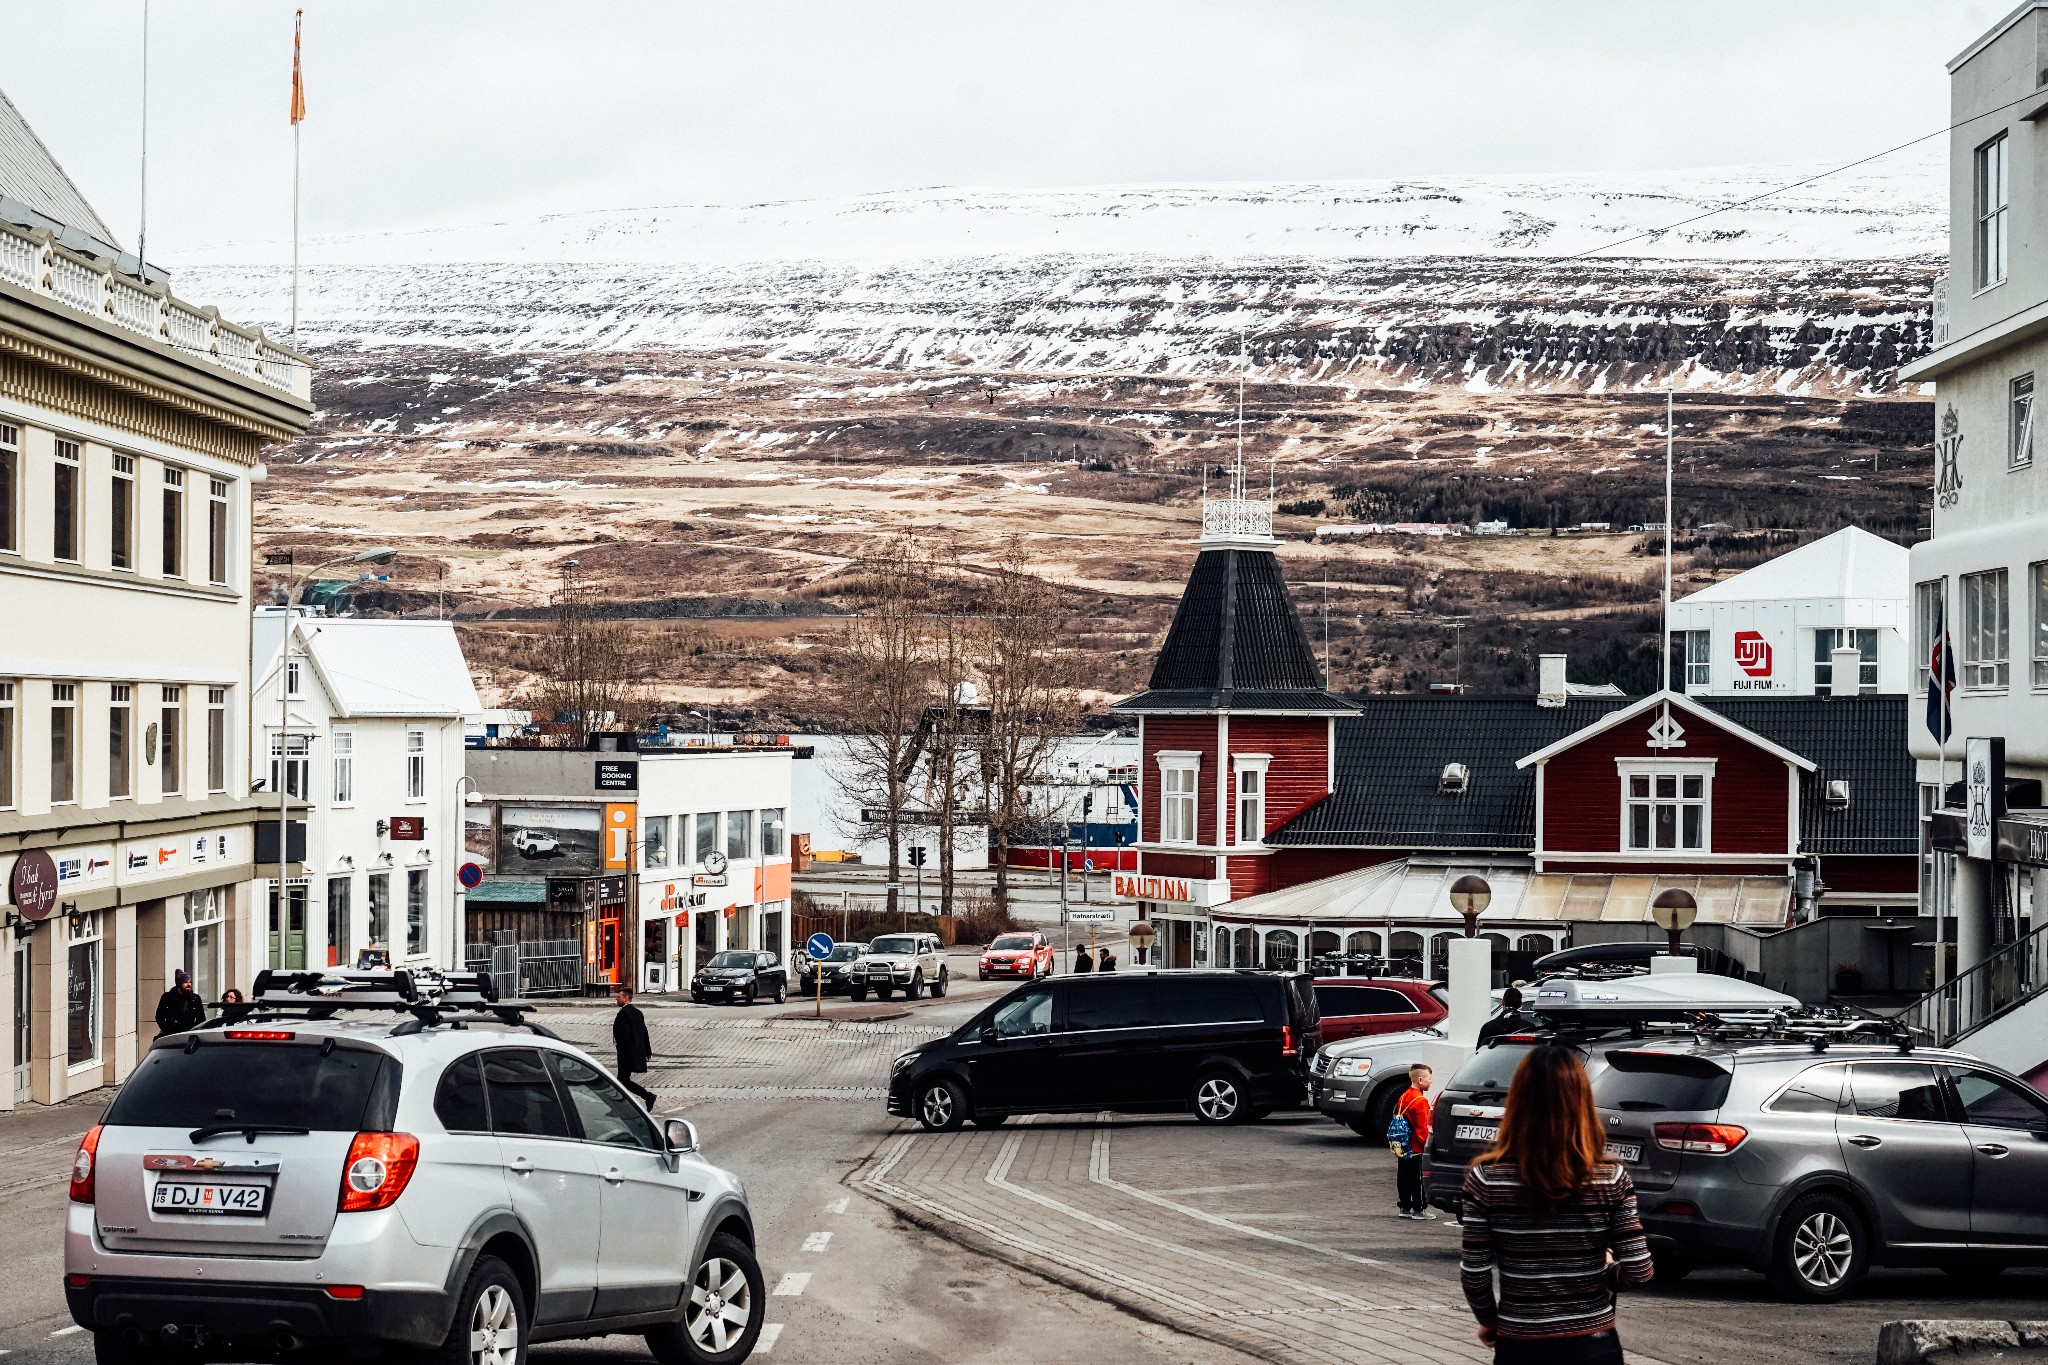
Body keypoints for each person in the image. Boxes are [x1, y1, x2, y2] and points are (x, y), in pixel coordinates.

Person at [1461, 1045, 1653, 1364]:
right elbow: (1640, 1270)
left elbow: (1475, 1274)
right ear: (1581, 1101)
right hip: (1593, 1343)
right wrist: (1603, 1269)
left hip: (1520, 1343)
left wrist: (1490, 1322)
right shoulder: (1611, 1177)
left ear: (1517, 1100)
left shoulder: (1485, 1178)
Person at [1392, 1062, 1434, 1219]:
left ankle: (1404, 1206)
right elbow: (1422, 1128)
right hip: (1415, 1147)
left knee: (1403, 1175)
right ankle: (1419, 1209)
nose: (1431, 1082)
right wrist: (1427, 1145)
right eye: (1429, 1078)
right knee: (1417, 1178)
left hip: (1403, 1144)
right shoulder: (1420, 1101)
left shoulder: (1404, 1096)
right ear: (1421, 1080)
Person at [612, 985, 657, 1108]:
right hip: (635, 1051)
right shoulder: (638, 1012)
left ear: (626, 998)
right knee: (622, 1080)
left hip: (626, 1053)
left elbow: (624, 1036)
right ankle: (625, 1103)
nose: (616, 999)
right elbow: (644, 1032)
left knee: (622, 1080)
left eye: (618, 997)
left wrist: (621, 1051)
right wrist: (647, 1051)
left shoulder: (623, 1014)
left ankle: (647, 1096)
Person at [153, 969, 206, 1036]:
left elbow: (201, 1020)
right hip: (171, 1035)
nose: (189, 985)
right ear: (179, 984)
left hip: (189, 1035)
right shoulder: (167, 997)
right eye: (185, 982)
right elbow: (159, 1016)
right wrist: (167, 1030)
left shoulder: (195, 999)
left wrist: (193, 1032)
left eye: (190, 982)